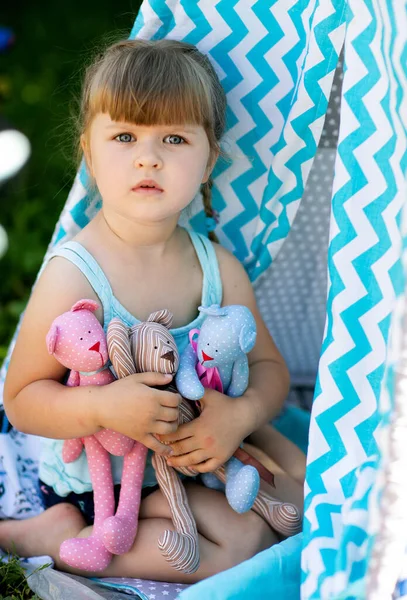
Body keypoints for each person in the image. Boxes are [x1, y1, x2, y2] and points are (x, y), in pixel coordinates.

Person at [0, 39, 304, 583]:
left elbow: (270, 371)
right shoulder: (76, 271)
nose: (148, 157)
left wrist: (239, 416)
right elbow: (21, 400)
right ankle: (60, 533)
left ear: (209, 159)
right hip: (107, 479)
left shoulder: (216, 268)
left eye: (174, 138)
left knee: (305, 495)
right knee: (236, 546)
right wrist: (104, 408)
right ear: (89, 154)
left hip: (196, 459)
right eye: (124, 137)